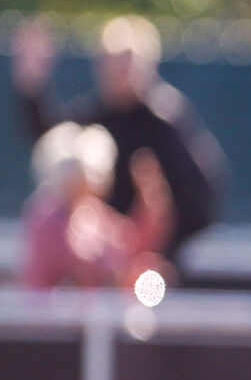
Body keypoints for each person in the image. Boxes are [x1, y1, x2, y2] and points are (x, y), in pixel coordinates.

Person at [11, 16, 225, 263]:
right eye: (111, 61)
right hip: (100, 257)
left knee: (146, 294)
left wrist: (159, 249)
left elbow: (200, 197)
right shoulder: (96, 115)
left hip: (151, 265)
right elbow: (52, 142)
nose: (119, 71)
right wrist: (31, 87)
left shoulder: (164, 121)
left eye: (127, 62)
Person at [20, 122, 171, 290]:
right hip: (50, 312)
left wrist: (149, 199)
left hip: (99, 312)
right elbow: (69, 269)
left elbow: (128, 246)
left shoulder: (94, 212)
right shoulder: (44, 216)